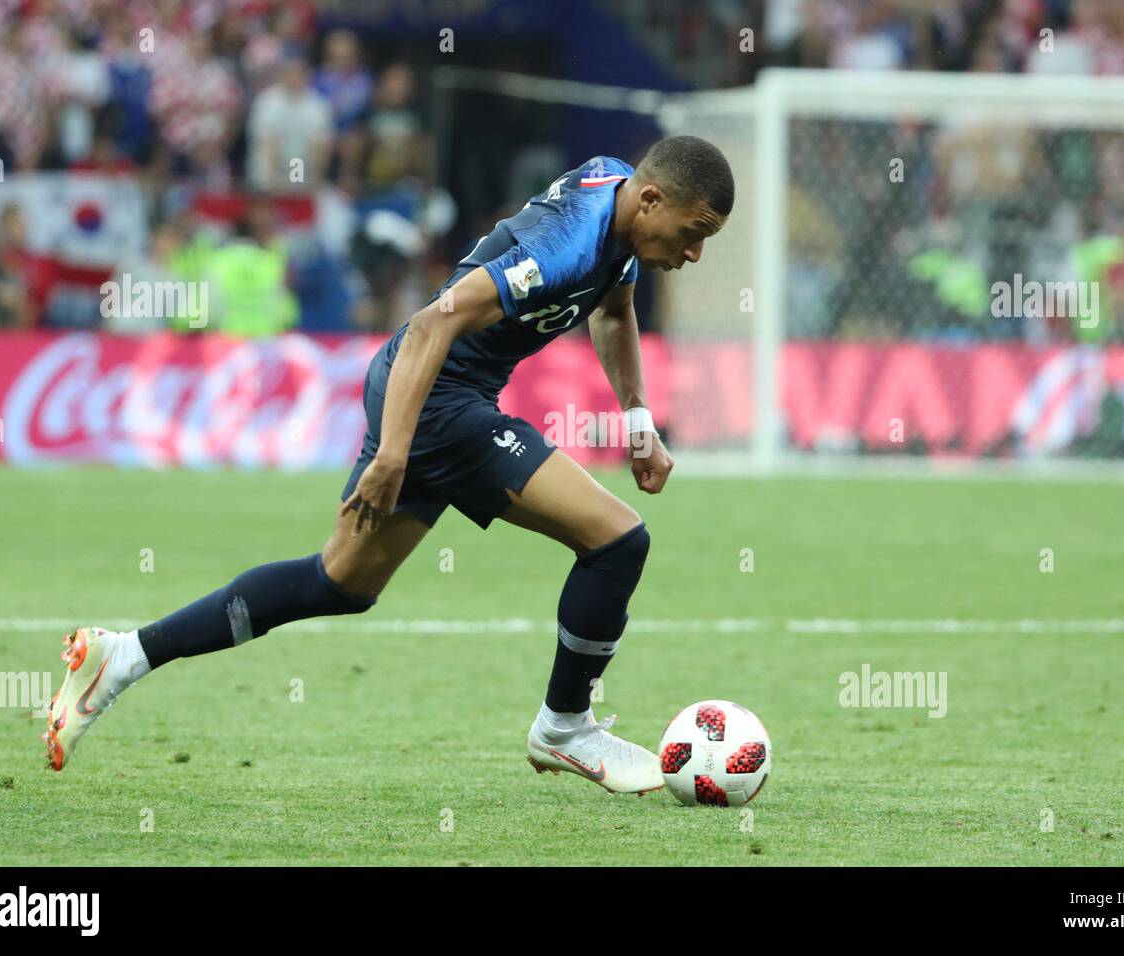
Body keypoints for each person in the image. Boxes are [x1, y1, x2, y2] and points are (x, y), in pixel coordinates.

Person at [44, 136, 734, 795]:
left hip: (432, 394)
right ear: (648, 201)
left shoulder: (615, 203)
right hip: (437, 399)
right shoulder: (566, 246)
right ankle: (565, 726)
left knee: (339, 583)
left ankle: (124, 655)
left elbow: (613, 309)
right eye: (693, 231)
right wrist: (394, 454)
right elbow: (435, 323)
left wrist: (637, 418)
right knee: (617, 540)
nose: (698, 253)